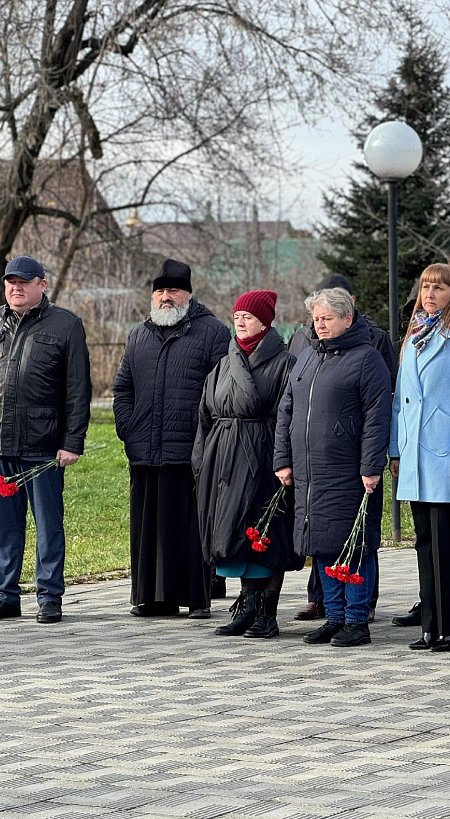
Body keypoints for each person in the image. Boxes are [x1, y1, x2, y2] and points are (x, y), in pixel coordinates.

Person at [0, 256, 91, 624]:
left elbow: (78, 391)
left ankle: (50, 596)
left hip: (44, 446)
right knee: (5, 525)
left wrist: (73, 441)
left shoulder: (66, 325)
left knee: (49, 524)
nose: (16, 288)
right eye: (10, 282)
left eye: (24, 281)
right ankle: (6, 596)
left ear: (42, 285)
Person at [274, 288, 391, 648]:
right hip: (310, 470)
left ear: (347, 319)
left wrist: (371, 465)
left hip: (349, 470)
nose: (320, 325)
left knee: (353, 546)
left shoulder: (366, 359)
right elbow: (286, 410)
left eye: (327, 318)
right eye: (316, 319)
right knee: (322, 544)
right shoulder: (307, 357)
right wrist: (283, 459)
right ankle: (335, 616)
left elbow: (377, 416)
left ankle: (357, 620)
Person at [113, 259, 229, 618]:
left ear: (189, 295)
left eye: (173, 290)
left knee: (189, 528)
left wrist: (206, 439)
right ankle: (152, 598)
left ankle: (197, 598)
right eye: (160, 291)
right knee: (148, 529)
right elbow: (122, 388)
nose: (166, 297)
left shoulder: (212, 332)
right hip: (144, 449)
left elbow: (220, 391)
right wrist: (127, 428)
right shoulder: (138, 335)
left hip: (190, 451)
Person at [192, 291, 304, 639]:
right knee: (237, 532)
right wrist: (201, 460)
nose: (240, 321)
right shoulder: (224, 363)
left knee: (267, 533)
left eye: (248, 316)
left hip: (265, 454)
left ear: (266, 322)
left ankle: (268, 614)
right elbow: (205, 415)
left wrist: (284, 459)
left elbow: (290, 416)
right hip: (224, 455)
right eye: (237, 314)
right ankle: (247, 604)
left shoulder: (285, 363)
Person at [388, 264, 450, 653]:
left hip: (447, 451)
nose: (430, 294)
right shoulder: (414, 336)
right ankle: (429, 624)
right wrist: (395, 449)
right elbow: (400, 400)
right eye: (426, 287)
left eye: (439, 288)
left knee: (448, 539)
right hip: (414, 451)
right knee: (424, 541)